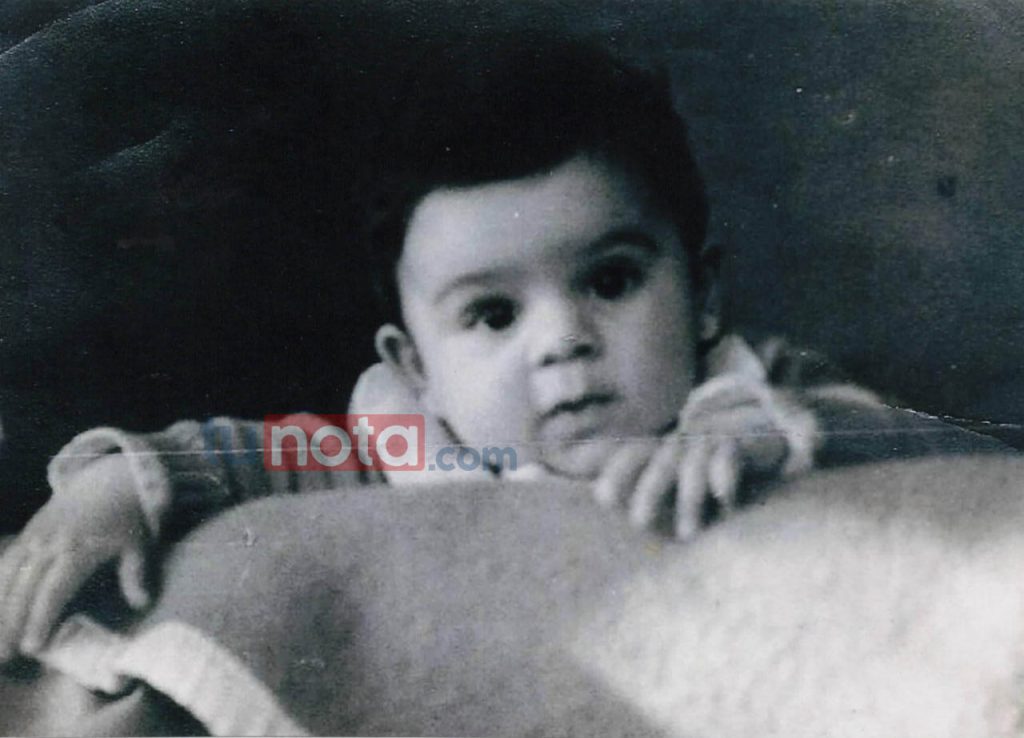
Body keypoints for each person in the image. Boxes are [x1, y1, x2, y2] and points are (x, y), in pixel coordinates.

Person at [0, 35, 1004, 664]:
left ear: (703, 296)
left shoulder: (752, 398)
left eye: (610, 282)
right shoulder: (404, 448)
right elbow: (233, 457)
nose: (563, 341)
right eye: (491, 317)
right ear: (417, 363)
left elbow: (933, 458)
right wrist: (113, 494)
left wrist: (768, 447)